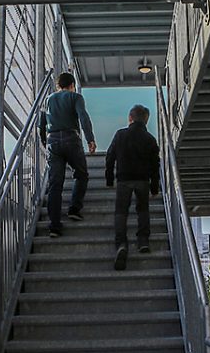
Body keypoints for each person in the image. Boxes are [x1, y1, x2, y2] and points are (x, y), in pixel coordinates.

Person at [39, 72, 97, 237]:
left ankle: (54, 226)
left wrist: (45, 143)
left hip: (53, 141)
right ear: (72, 85)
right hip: (71, 139)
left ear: (58, 86)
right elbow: (83, 117)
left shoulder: (48, 99)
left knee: (55, 185)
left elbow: (40, 125)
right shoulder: (75, 97)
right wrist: (90, 139)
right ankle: (74, 208)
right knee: (81, 174)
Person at [105, 104, 160, 270]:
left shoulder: (120, 135)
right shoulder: (150, 139)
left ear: (130, 118)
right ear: (146, 120)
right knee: (143, 210)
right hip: (143, 180)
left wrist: (109, 179)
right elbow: (155, 166)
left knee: (121, 212)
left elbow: (110, 156)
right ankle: (143, 241)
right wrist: (154, 187)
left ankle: (121, 244)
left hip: (124, 179)